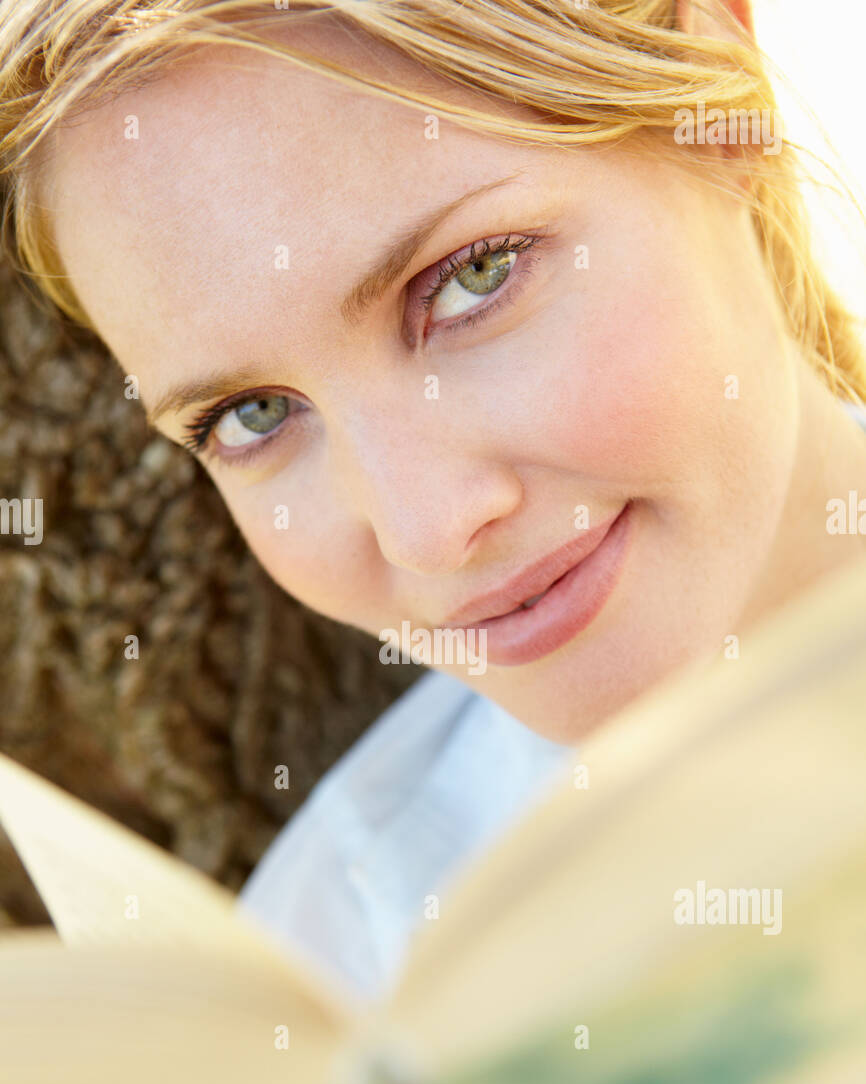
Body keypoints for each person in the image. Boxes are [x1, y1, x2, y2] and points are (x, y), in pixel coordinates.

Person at [2, 0, 864, 993]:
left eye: (470, 278)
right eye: (251, 416)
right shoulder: (338, 963)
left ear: (718, 118)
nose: (428, 532)